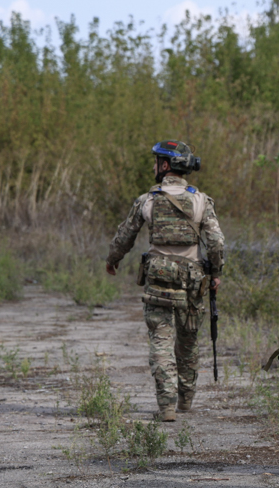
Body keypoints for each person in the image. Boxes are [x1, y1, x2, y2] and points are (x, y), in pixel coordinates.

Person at [105, 140, 224, 422]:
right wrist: (216, 273)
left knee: (161, 342)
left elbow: (125, 235)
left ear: (166, 165)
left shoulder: (147, 200)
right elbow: (216, 243)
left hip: (158, 279)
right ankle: (184, 401)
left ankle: (166, 407)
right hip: (192, 280)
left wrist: (113, 259)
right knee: (188, 341)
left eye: (156, 161)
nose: (153, 166)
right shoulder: (200, 200)